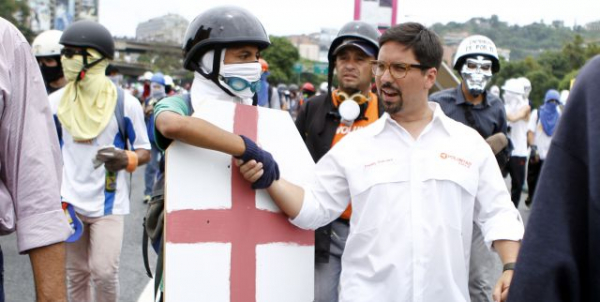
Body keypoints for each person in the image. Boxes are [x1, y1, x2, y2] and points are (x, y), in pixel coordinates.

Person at [238, 22, 523, 302]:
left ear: (429, 76)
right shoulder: (356, 147)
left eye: (399, 68)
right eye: (381, 66)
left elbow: (498, 214)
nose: (385, 78)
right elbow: (314, 205)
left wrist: (510, 266)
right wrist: (269, 176)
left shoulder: (468, 145)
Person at [151, 7, 281, 298]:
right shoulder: (182, 104)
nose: (255, 64)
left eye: (256, 56)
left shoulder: (258, 113)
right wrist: (245, 147)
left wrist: (262, 175)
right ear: (209, 59)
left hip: (244, 241)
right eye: (244, 55)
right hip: (187, 245)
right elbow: (171, 125)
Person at [47, 20, 151, 302]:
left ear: (94, 58)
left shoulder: (124, 103)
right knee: (76, 273)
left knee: (104, 272)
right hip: (68, 202)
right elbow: (47, 151)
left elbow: (145, 150)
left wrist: (125, 158)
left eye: (71, 54)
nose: (64, 61)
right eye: (64, 53)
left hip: (108, 203)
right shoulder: (54, 104)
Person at [294, 20, 382, 302]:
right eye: (343, 58)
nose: (349, 64)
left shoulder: (388, 113)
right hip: (325, 232)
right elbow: (296, 164)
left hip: (373, 234)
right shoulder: (313, 108)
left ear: (375, 67)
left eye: (360, 59)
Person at [507, 56, 600, 302]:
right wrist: (534, 148)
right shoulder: (593, 89)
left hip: (557, 156)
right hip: (543, 155)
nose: (551, 103)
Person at [429, 34, 511, 302]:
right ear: (461, 67)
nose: (478, 72)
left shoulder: (497, 107)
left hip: (477, 201)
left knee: (479, 279)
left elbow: (502, 156)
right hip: (441, 200)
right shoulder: (440, 103)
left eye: (485, 67)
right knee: (436, 270)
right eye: (472, 65)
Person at [0, 17, 72, 302]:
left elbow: (34, 166)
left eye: (50, 61)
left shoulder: (5, 42)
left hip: (71, 188)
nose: (45, 66)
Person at [524, 89, 561, 207]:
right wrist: (533, 147)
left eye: (556, 101)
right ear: (546, 100)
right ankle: (531, 196)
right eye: (551, 100)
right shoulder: (537, 113)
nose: (553, 103)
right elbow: (530, 131)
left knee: (548, 181)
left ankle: (541, 203)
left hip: (550, 155)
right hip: (537, 153)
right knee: (532, 179)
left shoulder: (559, 115)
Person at [502, 78, 530, 207]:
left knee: (517, 184)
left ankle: (513, 210)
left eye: (508, 92)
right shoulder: (505, 107)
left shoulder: (525, 107)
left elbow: (513, 118)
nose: (505, 95)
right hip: (504, 150)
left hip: (519, 152)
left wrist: (501, 110)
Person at [143, 72, 167, 203]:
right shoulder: (148, 100)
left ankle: (161, 194)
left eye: (158, 86)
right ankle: (148, 193)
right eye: (153, 86)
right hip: (151, 139)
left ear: (163, 87)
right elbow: (142, 119)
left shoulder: (168, 101)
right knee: (150, 167)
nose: (155, 89)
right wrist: (146, 112)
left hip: (164, 139)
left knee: (164, 167)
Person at [32, 29, 67, 94]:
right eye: (39, 61)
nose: (43, 65)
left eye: (48, 60)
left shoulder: (77, 93)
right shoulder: (34, 93)